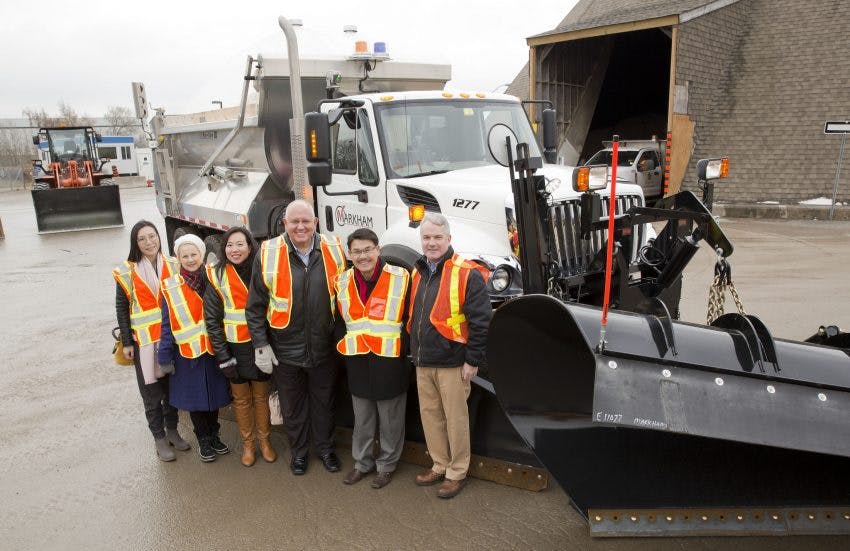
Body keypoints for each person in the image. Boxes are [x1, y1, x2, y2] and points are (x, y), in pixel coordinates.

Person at [246, 200, 346, 475]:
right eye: (294, 222)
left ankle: (325, 450)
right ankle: (299, 453)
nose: (300, 227)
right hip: (285, 349)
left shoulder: (334, 249)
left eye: (306, 221)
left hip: (323, 347)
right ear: (285, 224)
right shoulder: (267, 252)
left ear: (315, 222)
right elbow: (254, 306)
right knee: (292, 407)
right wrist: (261, 344)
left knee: (324, 404)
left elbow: (345, 297)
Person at [408, 213, 491, 499]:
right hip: (423, 360)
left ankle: (457, 472)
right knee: (431, 417)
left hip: (453, 362)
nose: (431, 243)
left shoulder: (467, 273)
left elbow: (482, 322)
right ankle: (439, 464)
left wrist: (473, 360)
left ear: (449, 239)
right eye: (427, 238)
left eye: (437, 238)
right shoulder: (417, 272)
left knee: (455, 420)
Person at [335, 229, 411, 489]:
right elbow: (337, 321)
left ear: (378, 249)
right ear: (350, 254)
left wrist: (405, 353)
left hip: (390, 360)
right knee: (363, 419)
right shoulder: (341, 281)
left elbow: (410, 318)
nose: (363, 255)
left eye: (368, 249)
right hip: (357, 359)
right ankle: (362, 464)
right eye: (357, 251)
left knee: (390, 420)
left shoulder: (401, 277)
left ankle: (386, 466)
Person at [114, 220, 191, 462]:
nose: (149, 242)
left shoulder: (173, 264)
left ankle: (172, 431)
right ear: (135, 243)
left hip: (170, 341)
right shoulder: (127, 272)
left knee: (171, 391)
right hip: (144, 343)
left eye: (153, 236)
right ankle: (159, 438)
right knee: (151, 395)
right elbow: (122, 308)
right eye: (143, 239)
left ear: (159, 237)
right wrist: (127, 342)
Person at [204, 227, 277, 467]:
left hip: (260, 346)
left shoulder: (263, 269)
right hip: (233, 349)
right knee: (242, 399)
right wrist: (224, 357)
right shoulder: (218, 275)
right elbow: (212, 321)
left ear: (250, 246)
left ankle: (265, 442)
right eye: (229, 245)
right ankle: (248, 445)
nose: (234, 250)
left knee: (261, 396)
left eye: (240, 244)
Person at [158, 234, 232, 463]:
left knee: (214, 398)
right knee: (196, 402)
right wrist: (165, 356)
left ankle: (215, 435)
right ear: (178, 259)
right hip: (187, 355)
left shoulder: (213, 279)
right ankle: (204, 440)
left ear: (202, 255)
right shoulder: (170, 288)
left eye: (194, 254)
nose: (190, 259)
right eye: (185, 255)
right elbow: (167, 324)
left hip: (212, 351)